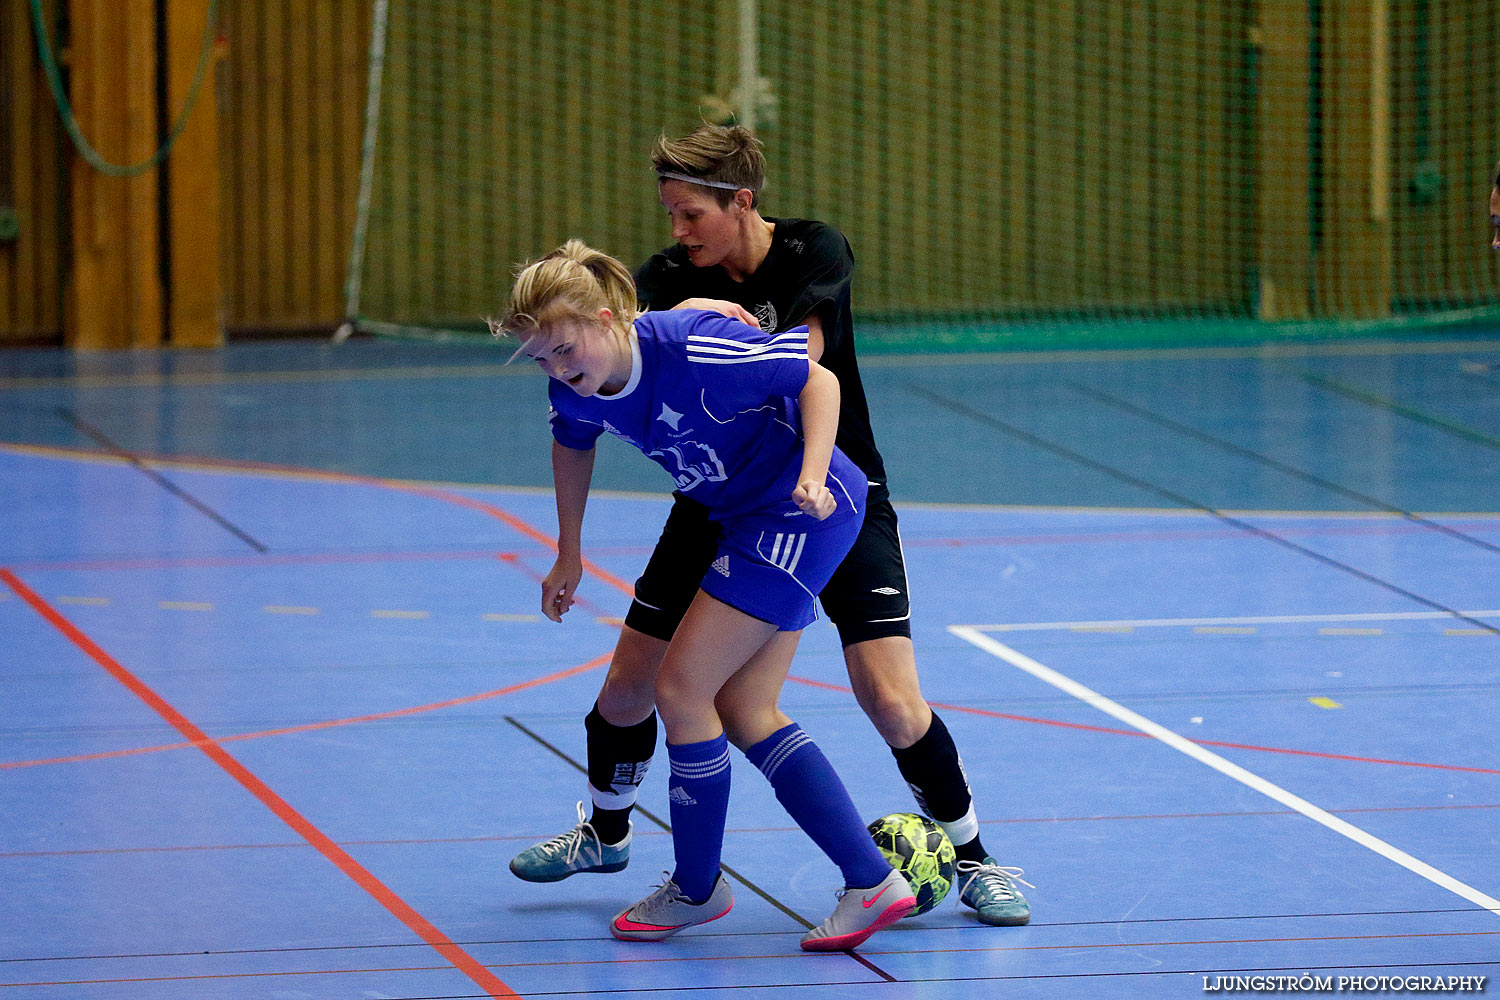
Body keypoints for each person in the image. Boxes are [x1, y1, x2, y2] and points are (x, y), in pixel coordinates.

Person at [511, 125, 1032, 926]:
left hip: (818, 485)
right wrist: (568, 548)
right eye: (671, 216)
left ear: (740, 202)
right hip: (721, 496)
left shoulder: (811, 250)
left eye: (690, 216)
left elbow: (800, 360)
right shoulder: (663, 288)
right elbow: (623, 353)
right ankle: (608, 833)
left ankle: (972, 858)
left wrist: (700, 332)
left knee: (888, 699)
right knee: (634, 685)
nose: (678, 234)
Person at [497, 239, 915, 950]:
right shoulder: (576, 386)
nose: (558, 371)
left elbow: (819, 382)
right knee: (744, 708)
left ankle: (696, 888)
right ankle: (871, 881)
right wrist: (569, 548)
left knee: (683, 687)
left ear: (606, 319)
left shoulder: (693, 344)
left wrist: (811, 472)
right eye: (541, 359)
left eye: (565, 351)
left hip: (793, 512)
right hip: (744, 518)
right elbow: (573, 442)